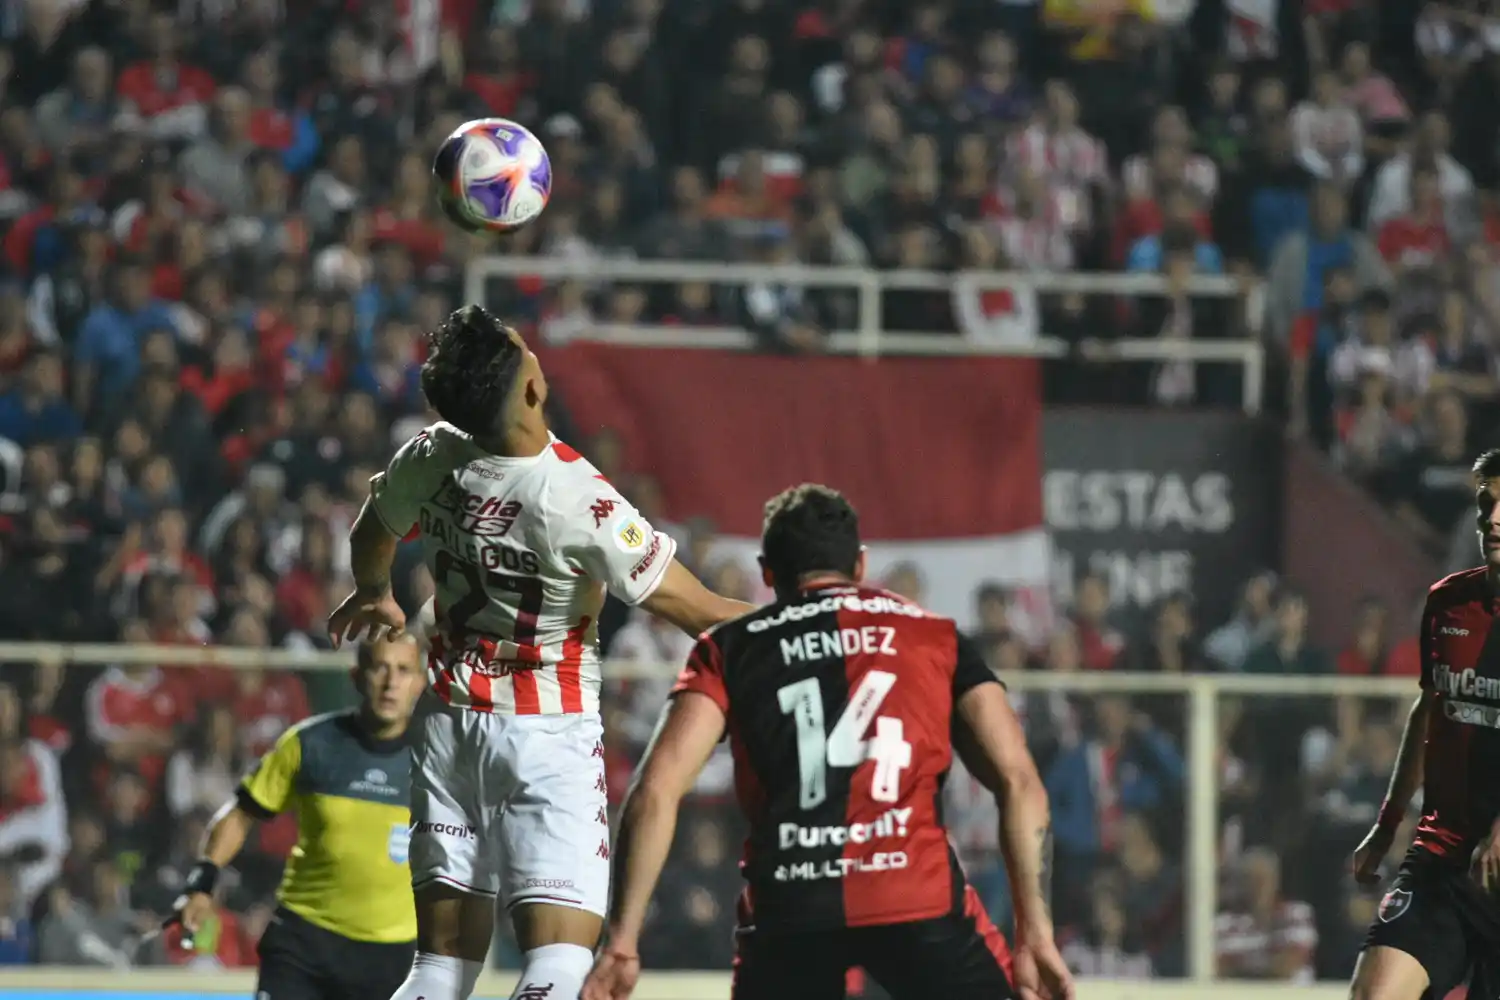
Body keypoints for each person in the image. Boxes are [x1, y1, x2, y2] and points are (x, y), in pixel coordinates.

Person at [327, 305, 751, 1000]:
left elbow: (370, 531)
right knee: (558, 962)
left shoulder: (432, 454)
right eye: (525, 348)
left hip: (446, 726)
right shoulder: (579, 500)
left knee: (439, 968)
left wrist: (376, 590)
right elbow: (702, 613)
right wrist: (819, 617)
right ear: (529, 389)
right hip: (545, 733)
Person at [582, 484, 1075, 1000]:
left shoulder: (732, 645)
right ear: (860, 566)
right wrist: (1035, 931)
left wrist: (621, 941)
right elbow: (1019, 781)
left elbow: (655, 790)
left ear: (768, 573)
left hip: (790, 906)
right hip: (915, 895)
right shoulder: (937, 637)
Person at [174, 635, 427, 1000]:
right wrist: (203, 881)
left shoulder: (440, 759)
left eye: (404, 671)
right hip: (305, 945)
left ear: (419, 682)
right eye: (380, 668)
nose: (391, 682)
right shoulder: (310, 744)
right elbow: (242, 813)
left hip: (394, 959)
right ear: (357, 676)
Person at [1350, 446, 1500, 1000]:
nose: (1496, 518)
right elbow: (1429, 712)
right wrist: (1388, 824)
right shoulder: (1448, 603)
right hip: (1443, 856)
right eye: (1487, 504)